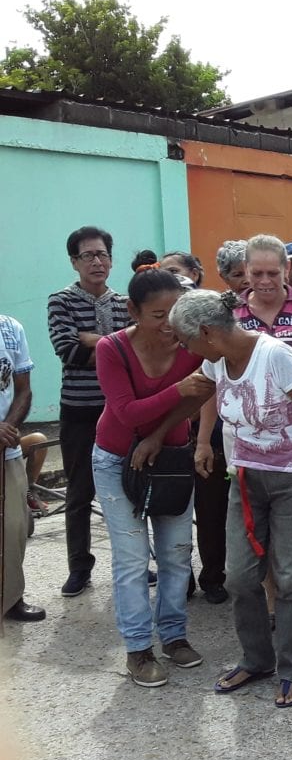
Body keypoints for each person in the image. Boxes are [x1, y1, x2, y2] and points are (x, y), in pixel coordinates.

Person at [171, 288, 292, 708]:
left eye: (185, 339)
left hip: (291, 479)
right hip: (244, 478)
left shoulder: (276, 356)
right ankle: (257, 659)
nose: (183, 347)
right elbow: (210, 392)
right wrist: (203, 444)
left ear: (208, 332)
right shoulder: (216, 359)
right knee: (241, 577)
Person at [92, 268, 212, 686]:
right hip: (115, 460)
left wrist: (160, 434)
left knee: (177, 551)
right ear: (133, 312)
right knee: (130, 559)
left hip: (172, 457)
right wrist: (177, 391)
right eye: (158, 315)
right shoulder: (111, 349)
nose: (169, 324)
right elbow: (126, 412)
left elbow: (204, 391)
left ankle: (175, 637)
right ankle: (138, 650)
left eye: (176, 313)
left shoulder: (190, 347)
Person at [48, 225, 131, 597]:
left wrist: (96, 341)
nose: (97, 261)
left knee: (128, 491)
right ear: (74, 261)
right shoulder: (60, 301)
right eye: (88, 255)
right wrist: (116, 346)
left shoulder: (125, 303)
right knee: (80, 493)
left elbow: (137, 355)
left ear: (111, 259)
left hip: (120, 411)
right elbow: (69, 351)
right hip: (80, 410)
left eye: (102, 254)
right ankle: (79, 567)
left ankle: (132, 562)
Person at [191, 240, 249, 605]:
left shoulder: (263, 314)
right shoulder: (212, 316)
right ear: (223, 278)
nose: (247, 281)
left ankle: (255, 578)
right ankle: (213, 574)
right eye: (239, 274)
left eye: (253, 272)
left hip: (257, 432)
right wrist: (201, 440)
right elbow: (209, 384)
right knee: (212, 506)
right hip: (218, 428)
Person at [234, 235, 292, 382]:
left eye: (273, 273)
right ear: (246, 269)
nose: (265, 281)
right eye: (257, 273)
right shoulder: (231, 312)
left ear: (286, 268)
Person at [1, 314, 45, 622]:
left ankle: (10, 598)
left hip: (6, 449)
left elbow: (23, 390)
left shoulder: (10, 328)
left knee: (14, 528)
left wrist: (8, 427)